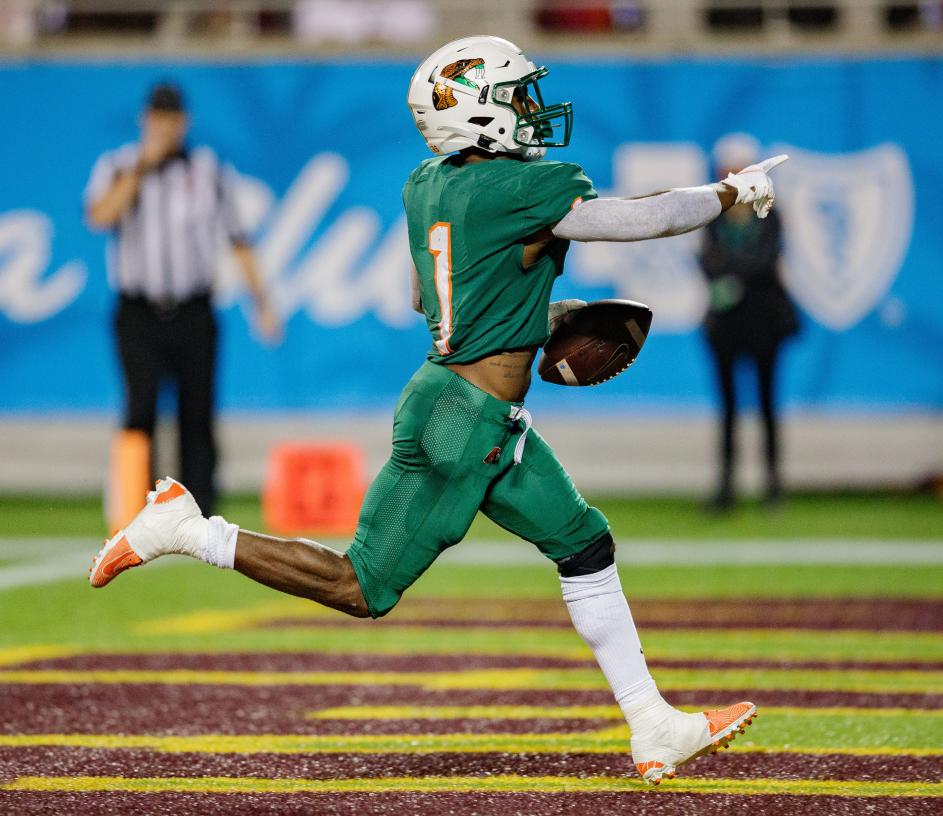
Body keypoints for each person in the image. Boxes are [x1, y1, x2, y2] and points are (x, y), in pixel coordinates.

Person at [88, 38, 785, 784]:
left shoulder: (427, 185)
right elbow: (633, 220)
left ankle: (653, 725)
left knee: (584, 542)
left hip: (462, 403)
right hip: (468, 423)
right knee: (359, 586)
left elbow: (432, 295)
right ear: (476, 112)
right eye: (516, 97)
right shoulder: (523, 188)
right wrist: (727, 193)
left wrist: (531, 316)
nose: (531, 112)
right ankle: (189, 529)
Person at [85, 82, 278, 516]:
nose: (164, 128)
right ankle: (137, 507)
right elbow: (100, 216)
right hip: (138, 311)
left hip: (193, 309)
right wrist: (140, 168)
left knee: (198, 414)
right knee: (140, 410)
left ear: (183, 122)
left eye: (171, 119)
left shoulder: (207, 170)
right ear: (145, 120)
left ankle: (200, 513)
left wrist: (261, 301)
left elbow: (238, 238)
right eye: (157, 118)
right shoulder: (117, 165)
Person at [699, 134, 799, 511]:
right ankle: (726, 485)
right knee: (727, 407)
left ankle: (773, 484)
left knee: (767, 402)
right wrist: (735, 274)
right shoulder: (712, 214)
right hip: (726, 324)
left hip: (763, 320)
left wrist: (732, 276)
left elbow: (762, 262)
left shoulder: (769, 214)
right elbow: (707, 263)